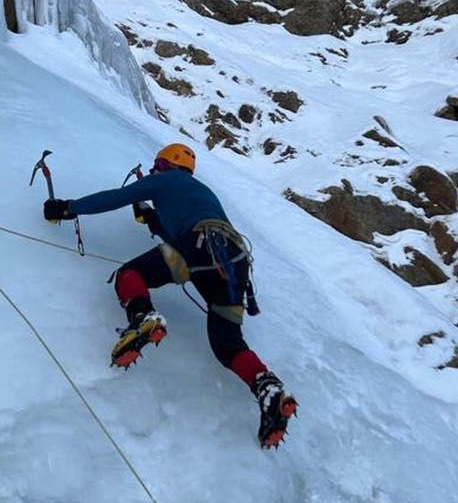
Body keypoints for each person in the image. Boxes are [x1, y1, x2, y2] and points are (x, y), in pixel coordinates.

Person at [42, 143, 298, 448]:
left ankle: (142, 317)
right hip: (234, 261)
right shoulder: (200, 191)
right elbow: (182, 237)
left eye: (157, 166)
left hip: (201, 244)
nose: (153, 171)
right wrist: (153, 220)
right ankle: (268, 389)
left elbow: (116, 197)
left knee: (130, 275)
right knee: (227, 343)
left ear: (167, 165)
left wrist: (68, 208)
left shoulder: (168, 180)